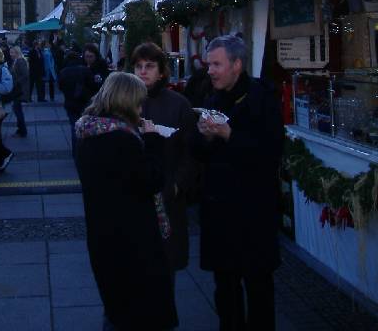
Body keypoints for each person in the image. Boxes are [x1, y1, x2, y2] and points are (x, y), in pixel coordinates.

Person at [192, 35, 284, 331]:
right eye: (209, 65)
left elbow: (269, 154)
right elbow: (201, 155)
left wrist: (228, 135)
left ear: (237, 65)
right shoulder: (212, 99)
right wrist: (205, 137)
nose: (211, 71)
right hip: (219, 213)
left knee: (258, 288)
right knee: (225, 289)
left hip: (254, 214)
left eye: (217, 64)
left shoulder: (263, 99)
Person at [75, 72, 178, 331]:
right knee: (139, 313)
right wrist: (153, 141)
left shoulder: (90, 133)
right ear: (127, 102)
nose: (141, 108)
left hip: (104, 237)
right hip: (132, 242)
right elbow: (150, 180)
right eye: (139, 102)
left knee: (117, 309)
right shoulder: (121, 140)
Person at [131, 42, 196, 277]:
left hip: (168, 197)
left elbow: (189, 153)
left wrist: (177, 185)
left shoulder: (178, 104)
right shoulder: (125, 103)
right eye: (138, 66)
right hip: (134, 197)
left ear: (161, 71)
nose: (143, 71)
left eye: (149, 66)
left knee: (166, 267)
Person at [58, 51, 96, 157]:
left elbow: (60, 87)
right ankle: (86, 149)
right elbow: (93, 85)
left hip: (70, 103)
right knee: (86, 126)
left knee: (74, 126)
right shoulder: (85, 70)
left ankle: (76, 151)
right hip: (85, 103)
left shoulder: (63, 72)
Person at [8, 45, 29, 137]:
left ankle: (22, 130)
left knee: (17, 110)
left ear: (17, 53)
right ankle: (20, 129)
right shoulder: (16, 61)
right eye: (10, 52)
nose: (10, 54)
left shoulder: (20, 61)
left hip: (19, 90)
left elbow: (25, 75)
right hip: (17, 89)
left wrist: (15, 82)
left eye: (12, 52)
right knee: (17, 109)